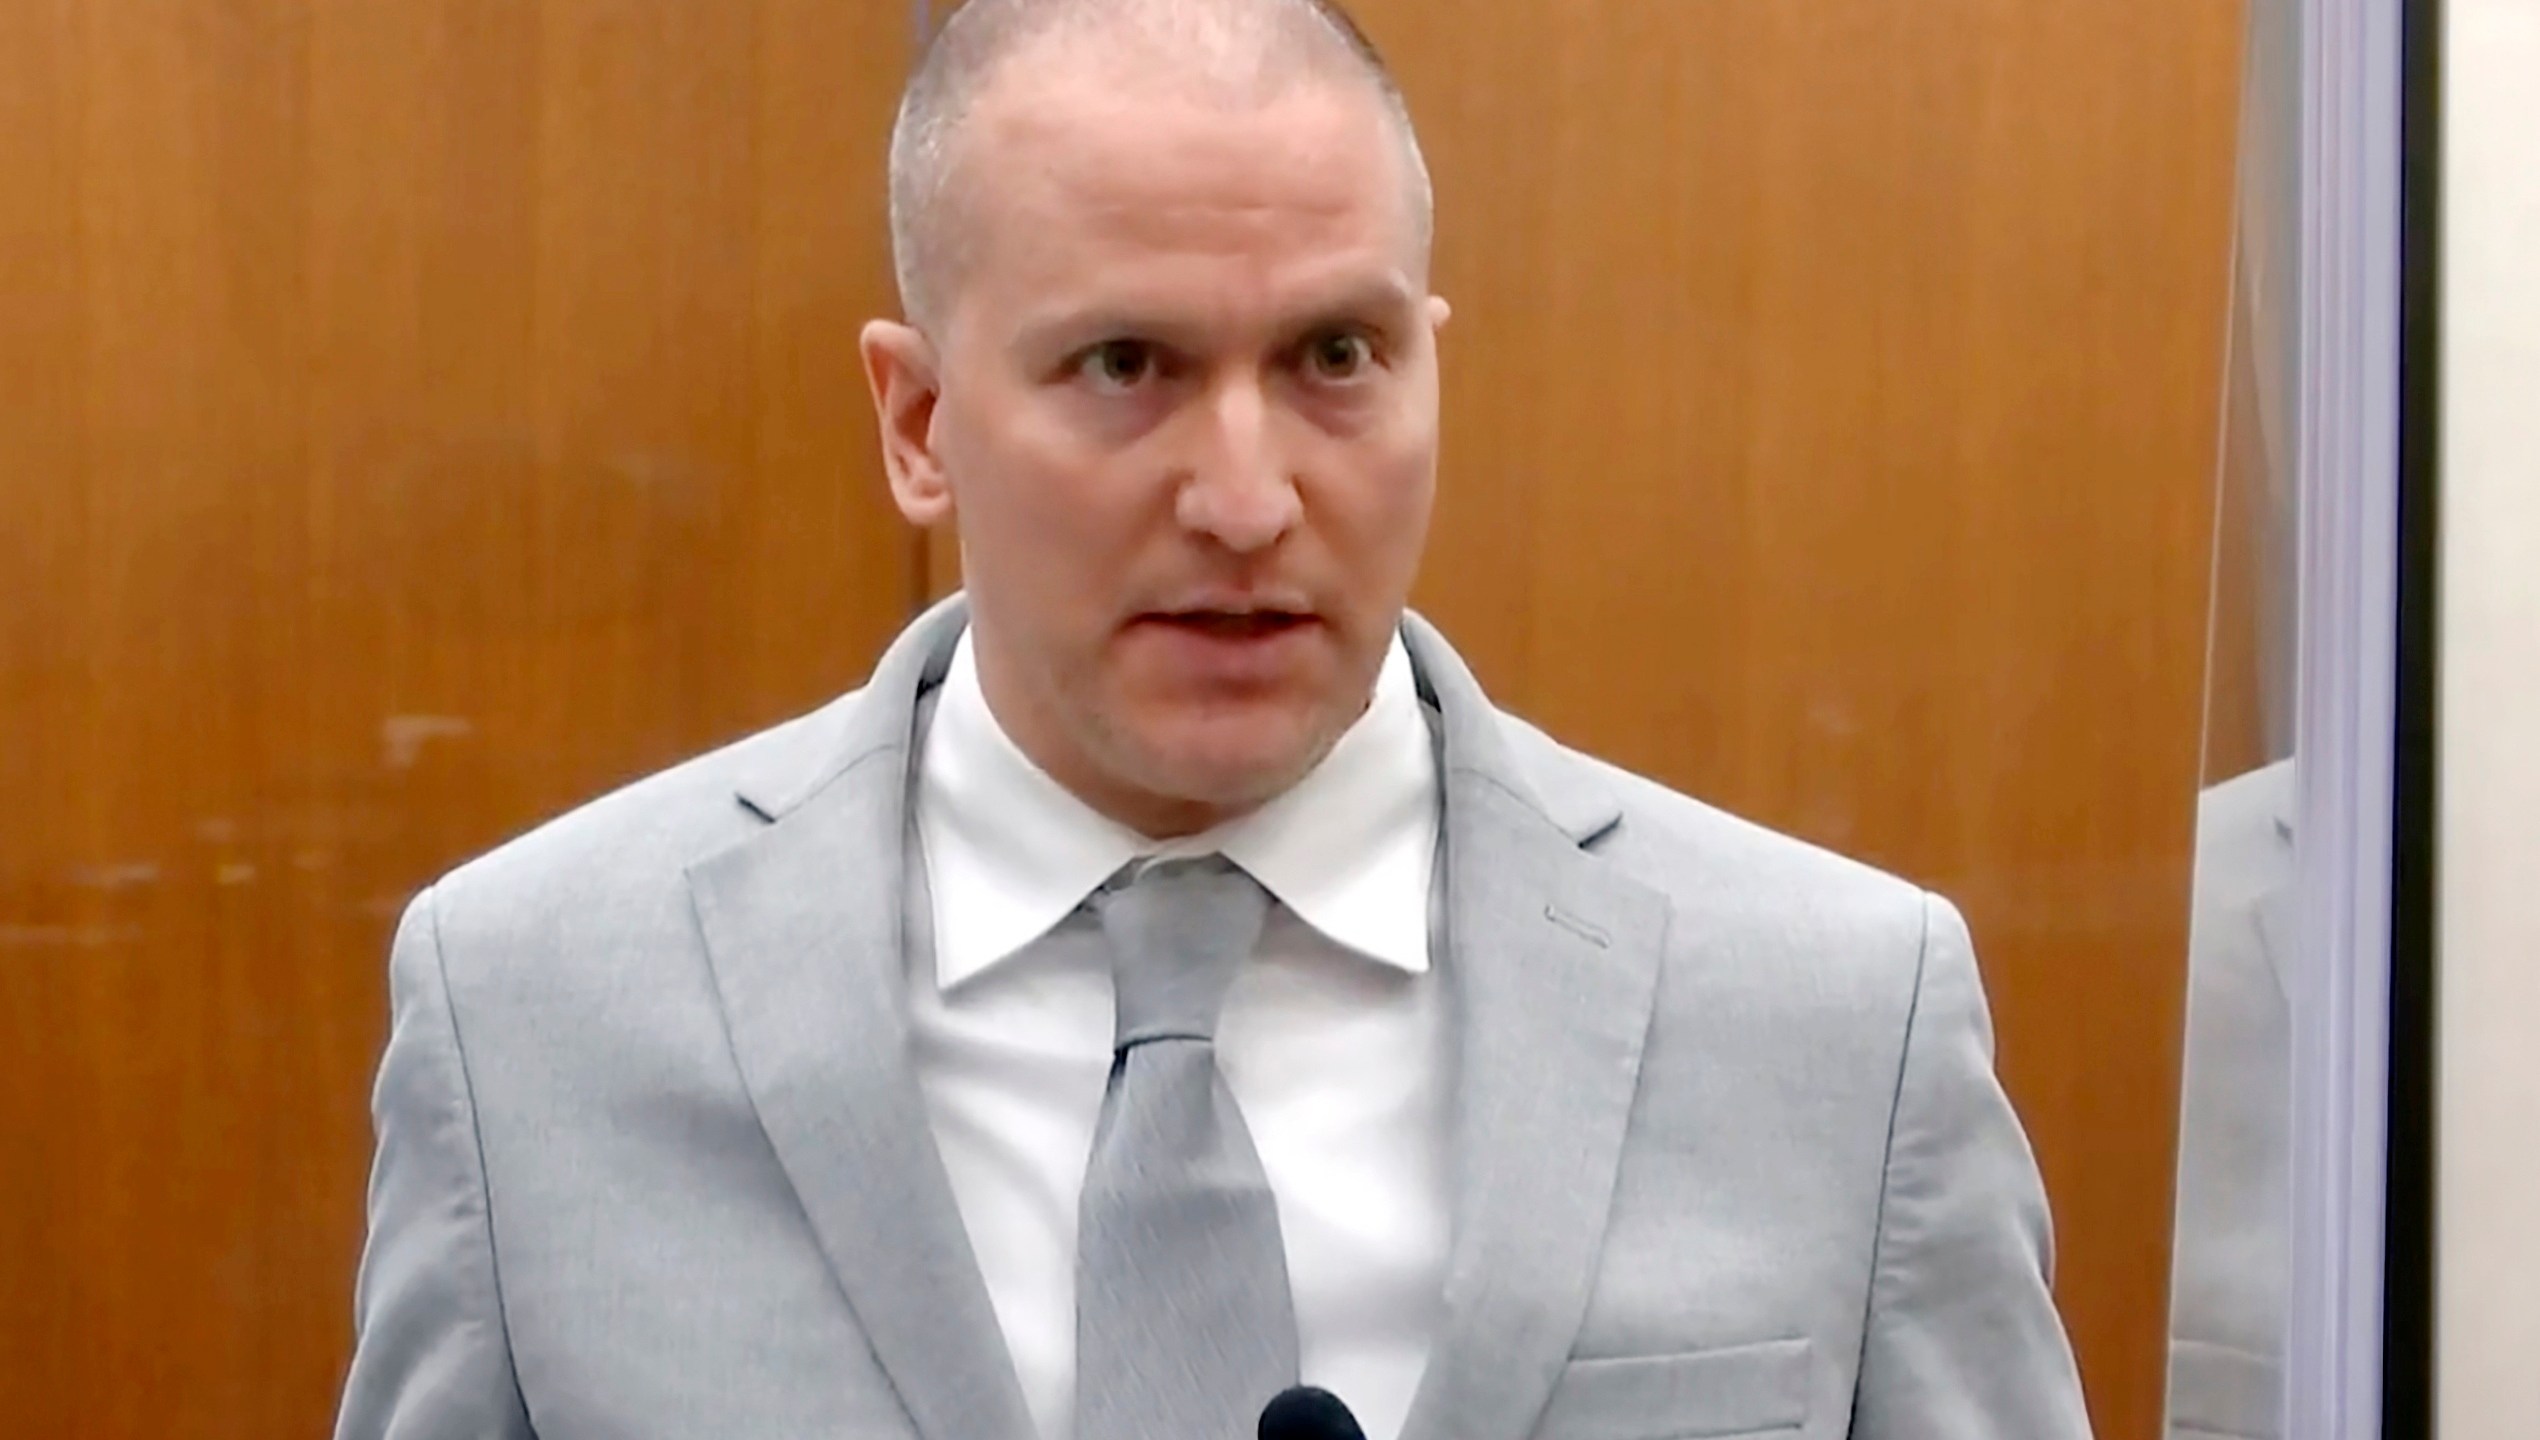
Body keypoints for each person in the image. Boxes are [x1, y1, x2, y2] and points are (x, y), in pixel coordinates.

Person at [332, 1, 2092, 1437]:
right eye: (1127, 368)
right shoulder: (531, 1020)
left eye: (1336, 357)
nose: (1248, 499)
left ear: (1430, 366)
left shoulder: (1840, 1022)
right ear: (921, 421)